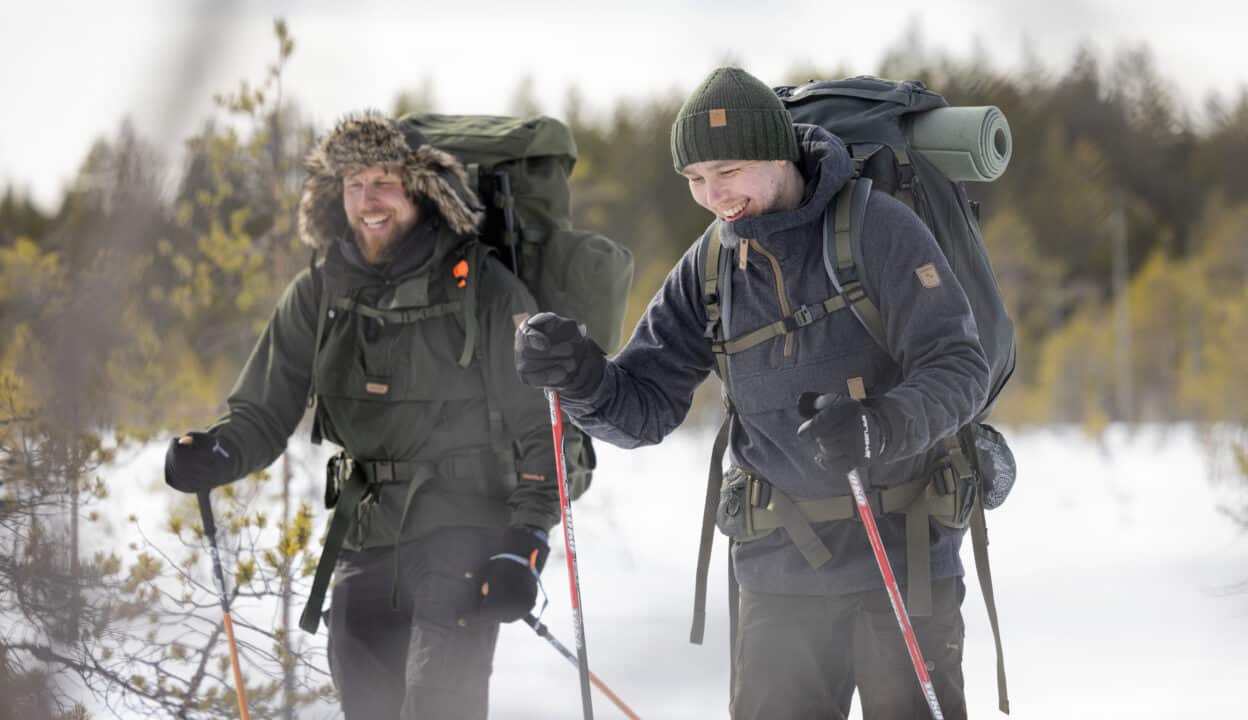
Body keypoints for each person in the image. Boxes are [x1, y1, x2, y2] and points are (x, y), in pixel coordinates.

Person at [515, 67, 989, 719]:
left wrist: (880, 425)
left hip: (903, 560)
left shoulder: (878, 230)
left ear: (778, 153)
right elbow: (642, 406)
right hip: (778, 574)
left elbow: (960, 364)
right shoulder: (711, 266)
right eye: (696, 180)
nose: (714, 196)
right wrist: (580, 376)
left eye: (727, 171)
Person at [163, 110, 559, 719]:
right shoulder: (319, 290)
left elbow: (543, 429)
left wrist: (524, 542)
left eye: (384, 183)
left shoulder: (483, 287)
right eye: (353, 185)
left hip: (464, 530)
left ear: (420, 190)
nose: (368, 202)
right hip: (366, 536)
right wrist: (217, 451)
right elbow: (264, 410)